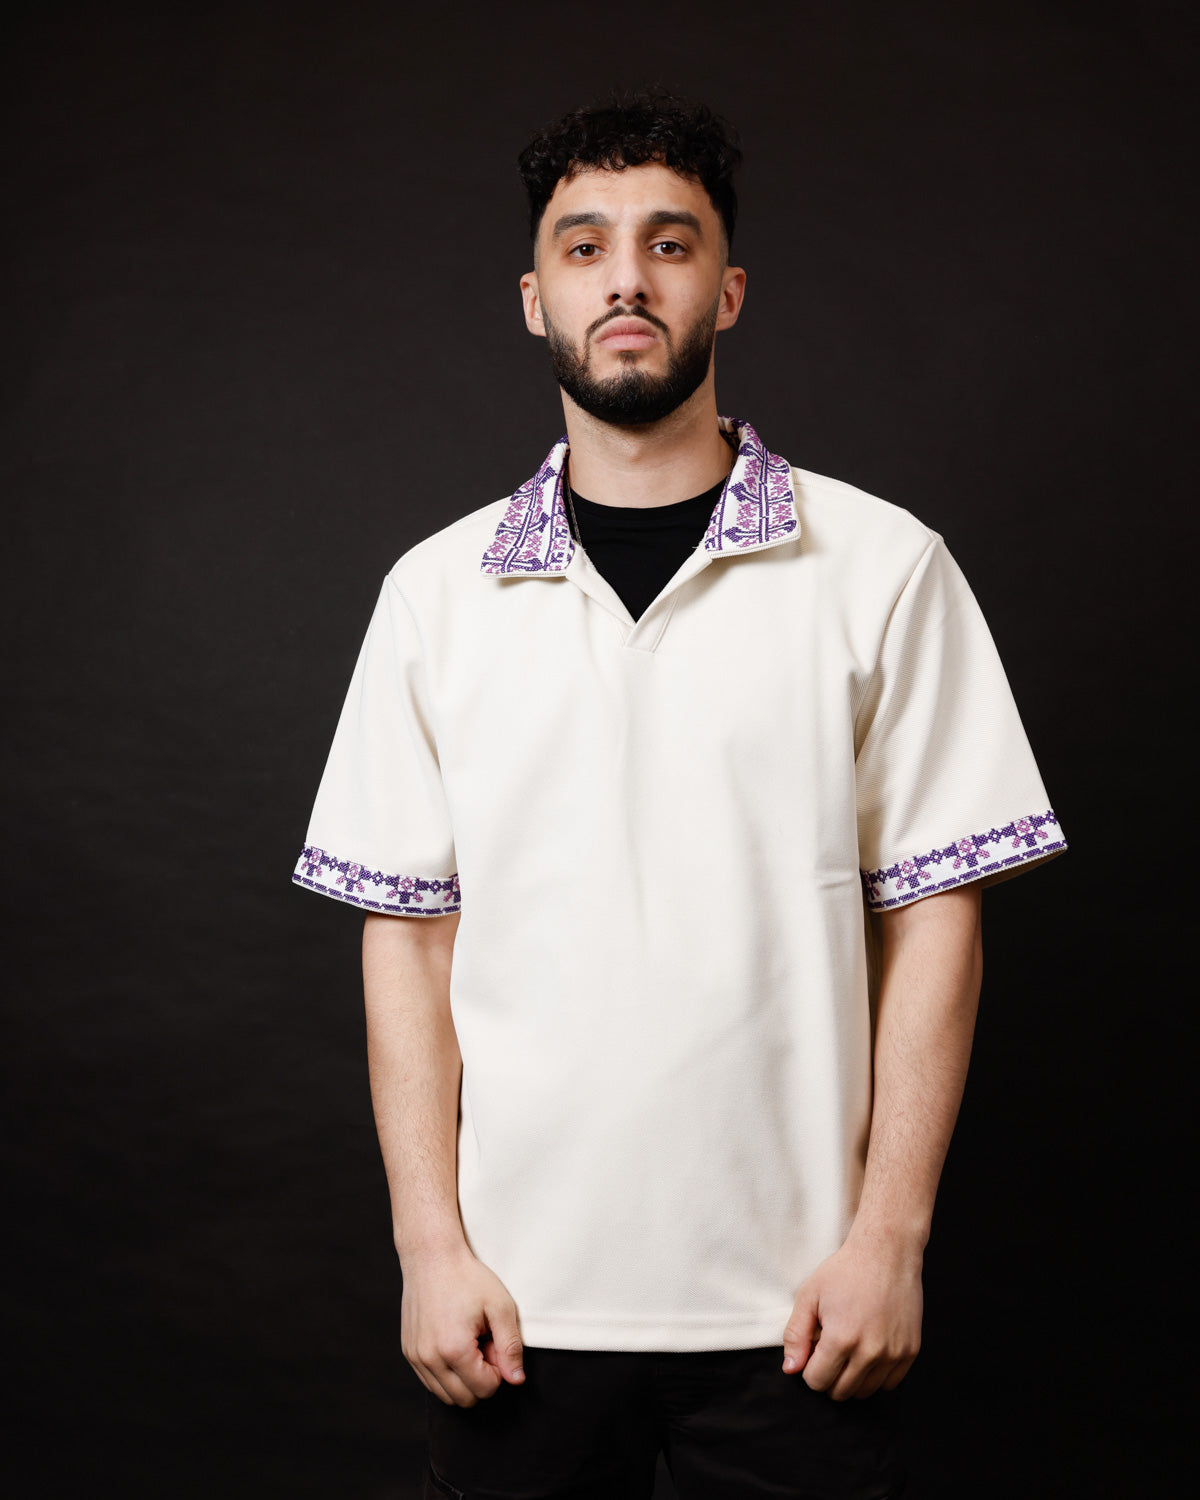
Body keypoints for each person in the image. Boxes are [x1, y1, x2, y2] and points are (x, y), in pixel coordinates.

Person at [292, 90, 1067, 1500]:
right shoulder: (434, 595)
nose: (627, 280)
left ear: (729, 288)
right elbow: (407, 938)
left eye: (669, 242)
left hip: (803, 1312)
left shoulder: (883, 567)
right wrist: (429, 1250)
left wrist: (889, 1242)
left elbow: (937, 918)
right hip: (512, 1310)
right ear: (536, 299)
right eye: (584, 246)